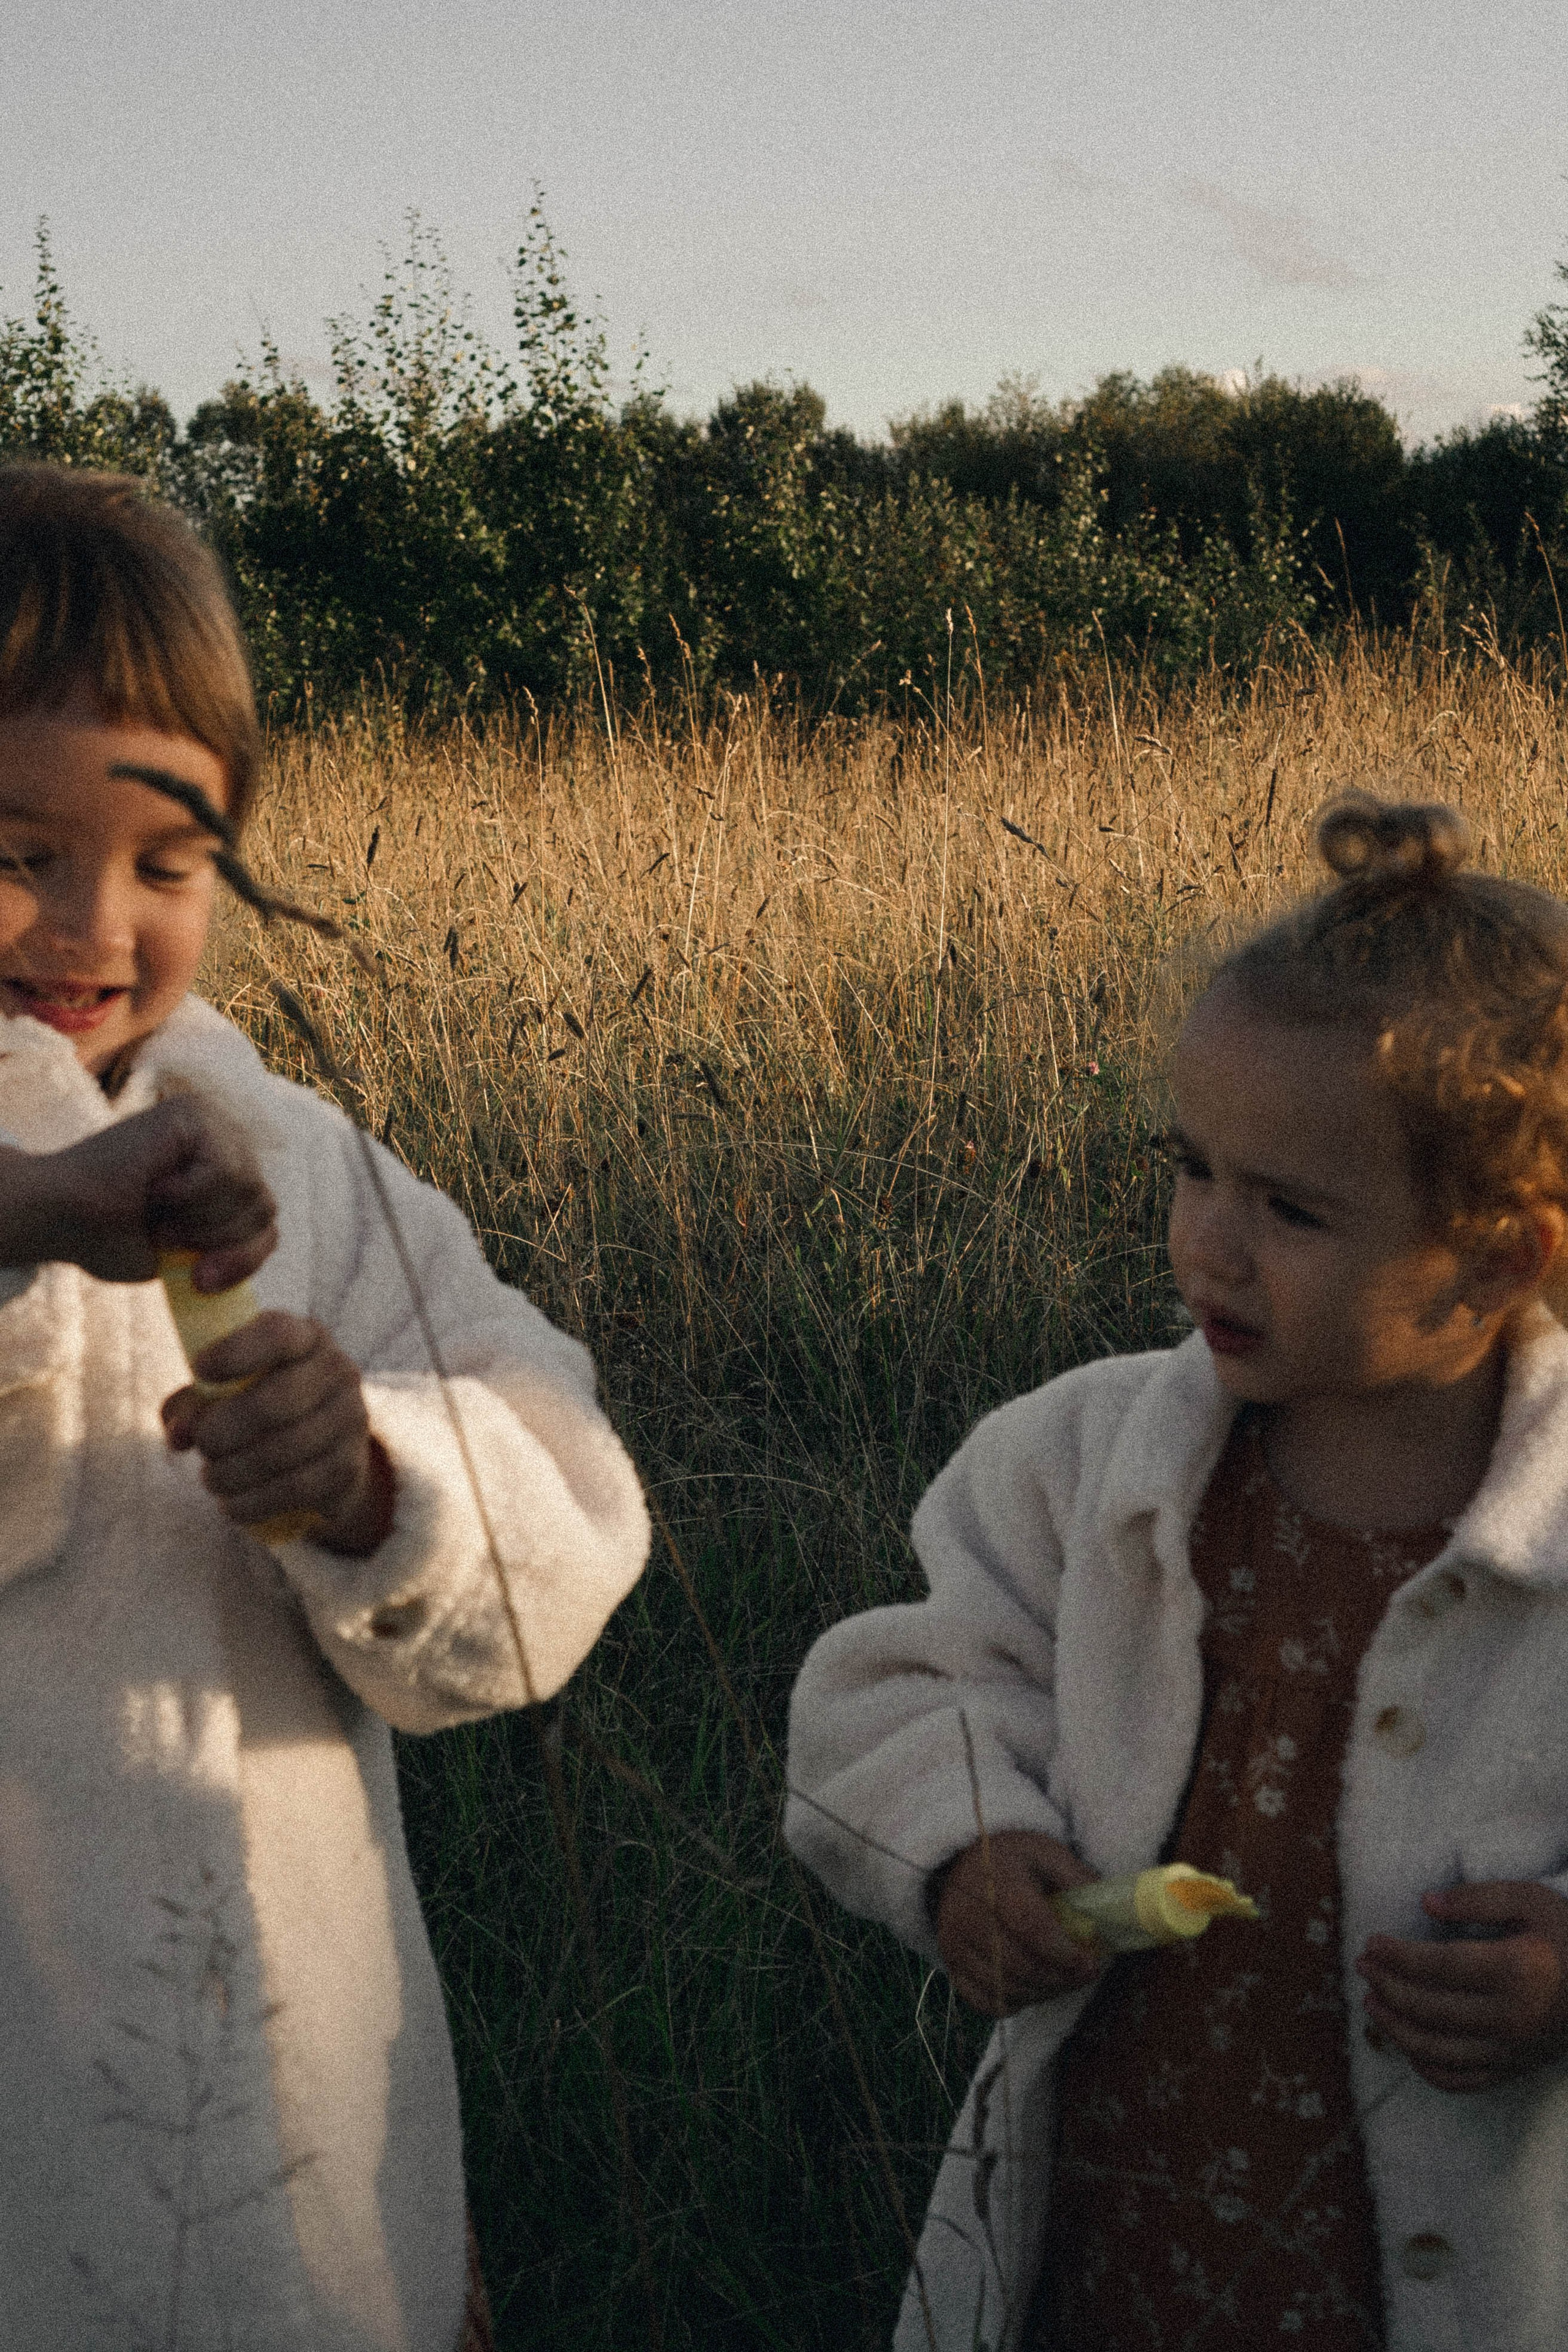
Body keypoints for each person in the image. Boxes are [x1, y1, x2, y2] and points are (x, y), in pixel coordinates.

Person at [0, 462, 650, 2351]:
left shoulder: (299, 1168)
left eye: (168, 863)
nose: (87, 928)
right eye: (14, 848)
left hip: (290, 2150)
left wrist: (378, 1483)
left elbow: (565, 1486)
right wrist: (44, 1212)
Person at [786, 793, 1568, 2352]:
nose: (1209, 1241)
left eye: (1287, 1208)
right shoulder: (1086, 1458)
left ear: (1492, 1262)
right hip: (1115, 2227)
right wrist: (969, 1847)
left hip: (1452, 2264)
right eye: (1193, 1168)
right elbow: (898, 1681)